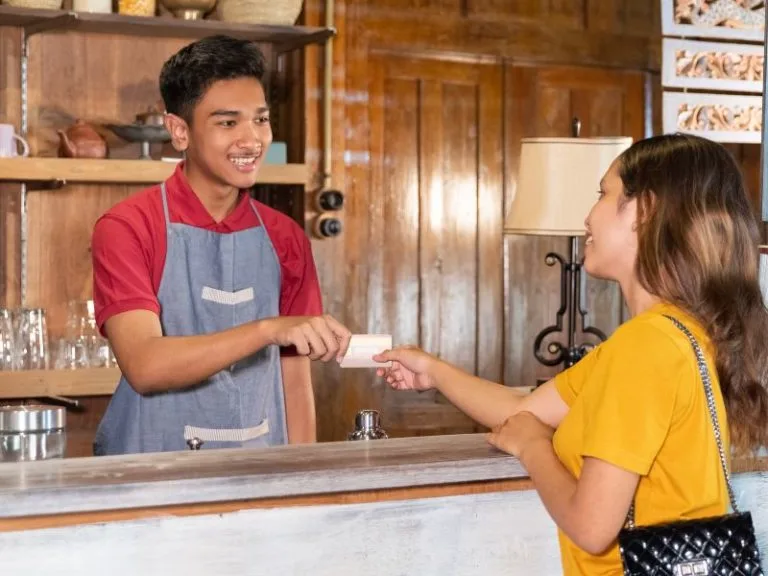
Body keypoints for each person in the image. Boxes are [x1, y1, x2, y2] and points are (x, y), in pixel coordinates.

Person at [375, 133, 768, 574]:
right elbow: (523, 411)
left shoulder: (644, 347)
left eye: (603, 193)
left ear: (645, 210)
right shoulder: (679, 335)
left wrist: (533, 447)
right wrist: (433, 371)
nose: (588, 216)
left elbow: (592, 525)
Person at [91, 35, 350, 456]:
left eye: (261, 120)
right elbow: (145, 365)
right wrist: (267, 328)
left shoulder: (286, 238)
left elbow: (294, 375)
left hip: (259, 470)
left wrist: (304, 474)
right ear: (180, 131)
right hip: (149, 474)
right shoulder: (128, 227)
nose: (251, 140)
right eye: (228, 123)